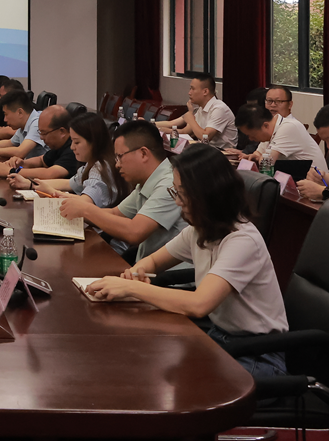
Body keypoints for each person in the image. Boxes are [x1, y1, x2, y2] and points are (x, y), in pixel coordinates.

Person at [85, 145, 288, 377]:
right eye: (176, 192)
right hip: (220, 337)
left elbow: (198, 304)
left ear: (208, 194)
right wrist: (137, 272)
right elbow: (153, 262)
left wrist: (131, 288)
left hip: (258, 354)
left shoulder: (243, 241)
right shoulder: (199, 230)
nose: (178, 202)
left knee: (164, 375)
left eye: (182, 194)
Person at [59, 121, 188, 264]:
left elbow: (134, 232)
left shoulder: (169, 183)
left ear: (143, 153)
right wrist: (75, 210)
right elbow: (115, 213)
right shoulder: (146, 181)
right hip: (147, 265)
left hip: (171, 274)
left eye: (120, 156)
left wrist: (86, 210)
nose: (117, 164)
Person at [6, 110, 128, 209]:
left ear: (94, 142)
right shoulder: (92, 163)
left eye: (77, 142)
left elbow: (84, 204)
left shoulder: (100, 169)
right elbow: (69, 183)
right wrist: (29, 184)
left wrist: (51, 191)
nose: (72, 147)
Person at [235, 103, 328, 173]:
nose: (250, 139)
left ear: (265, 125)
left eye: (252, 135)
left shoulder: (289, 127)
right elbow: (258, 154)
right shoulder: (270, 131)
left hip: (316, 182)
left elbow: (267, 163)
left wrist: (261, 158)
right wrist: (253, 157)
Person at [156, 73, 237, 149]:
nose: (189, 93)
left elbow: (205, 137)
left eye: (193, 89)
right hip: (206, 150)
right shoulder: (201, 109)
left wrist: (191, 118)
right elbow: (185, 132)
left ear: (205, 91)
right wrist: (162, 129)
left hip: (222, 153)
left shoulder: (219, 109)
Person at [0, 89, 47, 160]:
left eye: (6, 114)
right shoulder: (23, 124)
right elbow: (9, 143)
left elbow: (20, 152)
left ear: (20, 112)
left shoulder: (37, 123)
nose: (5, 119)